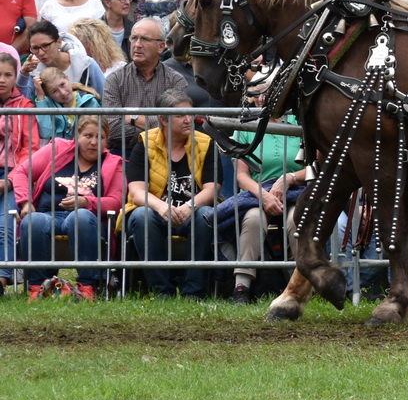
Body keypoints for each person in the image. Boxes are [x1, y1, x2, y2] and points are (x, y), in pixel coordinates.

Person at [12, 112, 120, 301]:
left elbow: (116, 201)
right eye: (88, 136)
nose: (94, 142)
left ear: (107, 140)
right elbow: (22, 172)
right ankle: (38, 286)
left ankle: (88, 286)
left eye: (100, 137)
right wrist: (26, 203)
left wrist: (87, 202)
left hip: (88, 220)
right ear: (76, 136)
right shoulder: (58, 149)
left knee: (80, 216)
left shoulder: (113, 164)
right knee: (33, 220)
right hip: (48, 215)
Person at [124, 93, 218, 298]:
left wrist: (189, 207)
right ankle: (161, 291)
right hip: (156, 212)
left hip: (192, 211)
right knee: (141, 216)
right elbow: (137, 191)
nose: (188, 120)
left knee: (206, 215)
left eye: (190, 114)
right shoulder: (144, 142)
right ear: (163, 119)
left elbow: (212, 189)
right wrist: (161, 207)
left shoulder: (206, 143)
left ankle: (194, 291)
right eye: (180, 115)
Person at [225, 113, 312, 303]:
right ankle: (241, 287)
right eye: (256, 96)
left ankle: (301, 284)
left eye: (266, 96)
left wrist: (289, 178)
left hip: (296, 191)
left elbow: (316, 166)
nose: (261, 99)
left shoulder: (301, 120)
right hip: (257, 194)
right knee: (253, 219)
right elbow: (242, 176)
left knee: (296, 219)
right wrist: (264, 196)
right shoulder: (245, 126)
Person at [102, 17, 177, 159]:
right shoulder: (114, 80)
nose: (137, 44)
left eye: (145, 39)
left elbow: (174, 124)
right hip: (123, 155)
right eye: (134, 38)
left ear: (161, 47)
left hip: (164, 154)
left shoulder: (175, 80)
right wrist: (153, 131)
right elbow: (112, 127)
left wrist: (131, 117)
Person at [0, 53, 40, 289]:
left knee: (5, 222)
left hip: (14, 175)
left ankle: (2, 277)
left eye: (8, 75)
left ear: (16, 77)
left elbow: (31, 150)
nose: (2, 80)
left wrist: (9, 180)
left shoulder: (25, 106)